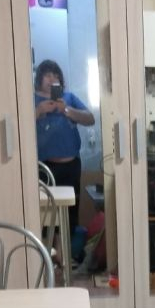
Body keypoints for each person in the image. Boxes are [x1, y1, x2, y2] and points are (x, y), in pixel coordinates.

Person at [34, 59, 95, 239]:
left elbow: (90, 119)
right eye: (47, 75)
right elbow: (18, 127)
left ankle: (63, 253)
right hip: (44, 168)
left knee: (70, 213)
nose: (52, 79)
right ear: (40, 78)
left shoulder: (68, 98)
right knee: (45, 214)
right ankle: (48, 252)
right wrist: (38, 111)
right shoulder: (32, 99)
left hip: (71, 166)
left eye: (55, 75)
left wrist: (66, 110)